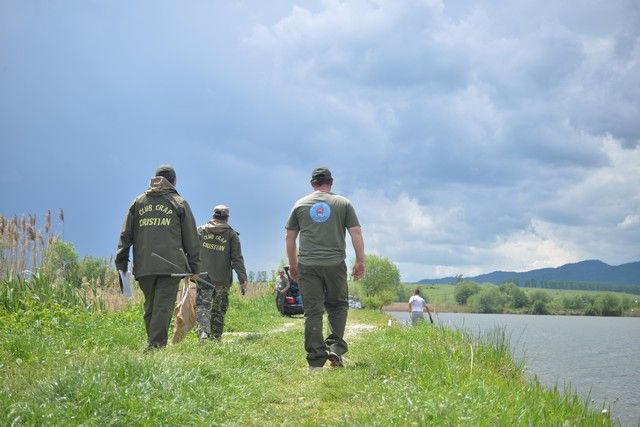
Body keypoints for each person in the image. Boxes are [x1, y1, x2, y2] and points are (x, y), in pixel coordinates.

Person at [285, 166, 365, 370]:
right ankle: (335, 349)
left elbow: (290, 237)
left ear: (312, 183)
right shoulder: (343, 203)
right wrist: (360, 261)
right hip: (335, 264)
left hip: (308, 264)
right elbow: (356, 232)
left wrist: (293, 264)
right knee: (337, 305)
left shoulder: (300, 204)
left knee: (313, 311)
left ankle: (315, 361)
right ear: (331, 182)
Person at [115, 165, 201, 351]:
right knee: (161, 308)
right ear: (174, 181)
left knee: (151, 307)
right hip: (171, 266)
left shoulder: (138, 202)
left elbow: (125, 235)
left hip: (144, 265)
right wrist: (195, 268)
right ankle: (155, 347)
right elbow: (192, 239)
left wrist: (121, 262)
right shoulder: (178, 203)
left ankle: (153, 344)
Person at [196, 205, 248, 341]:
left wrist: (189, 270)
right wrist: (242, 279)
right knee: (218, 309)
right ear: (227, 218)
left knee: (203, 306)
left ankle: (203, 333)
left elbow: (191, 251)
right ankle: (215, 337)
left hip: (203, 278)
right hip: (222, 279)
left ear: (213, 215)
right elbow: (237, 259)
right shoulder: (231, 235)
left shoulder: (201, 231)